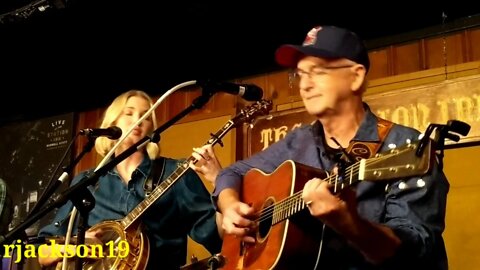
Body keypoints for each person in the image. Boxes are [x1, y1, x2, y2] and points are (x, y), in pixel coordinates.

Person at [213, 26, 449, 269]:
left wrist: (349, 224)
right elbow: (232, 172)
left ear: (356, 76)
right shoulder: (298, 142)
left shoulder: (405, 148)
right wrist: (230, 205)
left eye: (317, 71)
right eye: (300, 74)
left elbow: (416, 251)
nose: (305, 85)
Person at [37, 90, 223, 270]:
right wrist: (75, 246)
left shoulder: (176, 173)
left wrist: (220, 182)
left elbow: (217, 238)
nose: (138, 120)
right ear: (113, 122)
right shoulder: (87, 181)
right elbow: (42, 252)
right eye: (129, 113)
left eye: (146, 116)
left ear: (152, 128)